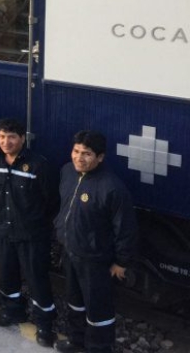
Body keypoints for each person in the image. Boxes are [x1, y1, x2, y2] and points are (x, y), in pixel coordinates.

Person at [54, 131, 137, 353]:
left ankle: (98, 348)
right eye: (76, 151)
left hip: (95, 260)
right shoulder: (67, 172)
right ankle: (76, 341)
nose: (79, 158)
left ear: (100, 157)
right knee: (74, 302)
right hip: (70, 252)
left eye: (87, 154)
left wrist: (121, 261)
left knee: (98, 310)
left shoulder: (111, 187)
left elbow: (125, 229)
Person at [0, 118, 59, 348]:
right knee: (7, 273)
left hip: (31, 233)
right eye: (2, 137)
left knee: (37, 278)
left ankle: (44, 324)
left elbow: (51, 201)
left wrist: (37, 224)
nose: (6, 142)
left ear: (22, 139)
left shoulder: (38, 165)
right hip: (5, 230)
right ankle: (12, 311)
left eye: (11, 137)